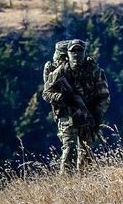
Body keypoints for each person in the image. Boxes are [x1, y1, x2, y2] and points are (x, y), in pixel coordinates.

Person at [42, 39, 111, 174]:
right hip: (67, 115)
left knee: (86, 150)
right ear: (67, 53)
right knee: (69, 148)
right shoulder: (61, 71)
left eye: (79, 50)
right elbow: (46, 93)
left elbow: (104, 96)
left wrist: (97, 115)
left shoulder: (93, 70)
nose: (76, 54)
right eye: (73, 51)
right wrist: (62, 98)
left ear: (84, 52)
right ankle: (66, 182)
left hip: (87, 115)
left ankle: (84, 181)